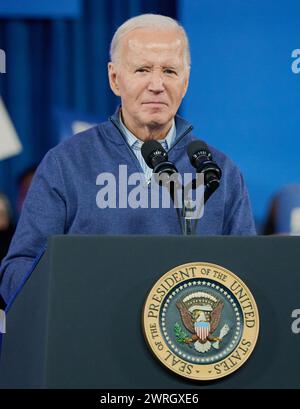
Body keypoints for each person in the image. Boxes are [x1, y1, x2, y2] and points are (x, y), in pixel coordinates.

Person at [0, 14, 256, 306]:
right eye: (142, 70)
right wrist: (84, 289)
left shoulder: (218, 171)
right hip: (89, 340)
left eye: (170, 71)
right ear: (114, 78)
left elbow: (247, 277)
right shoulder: (65, 164)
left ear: (185, 82)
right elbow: (15, 276)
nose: (157, 84)